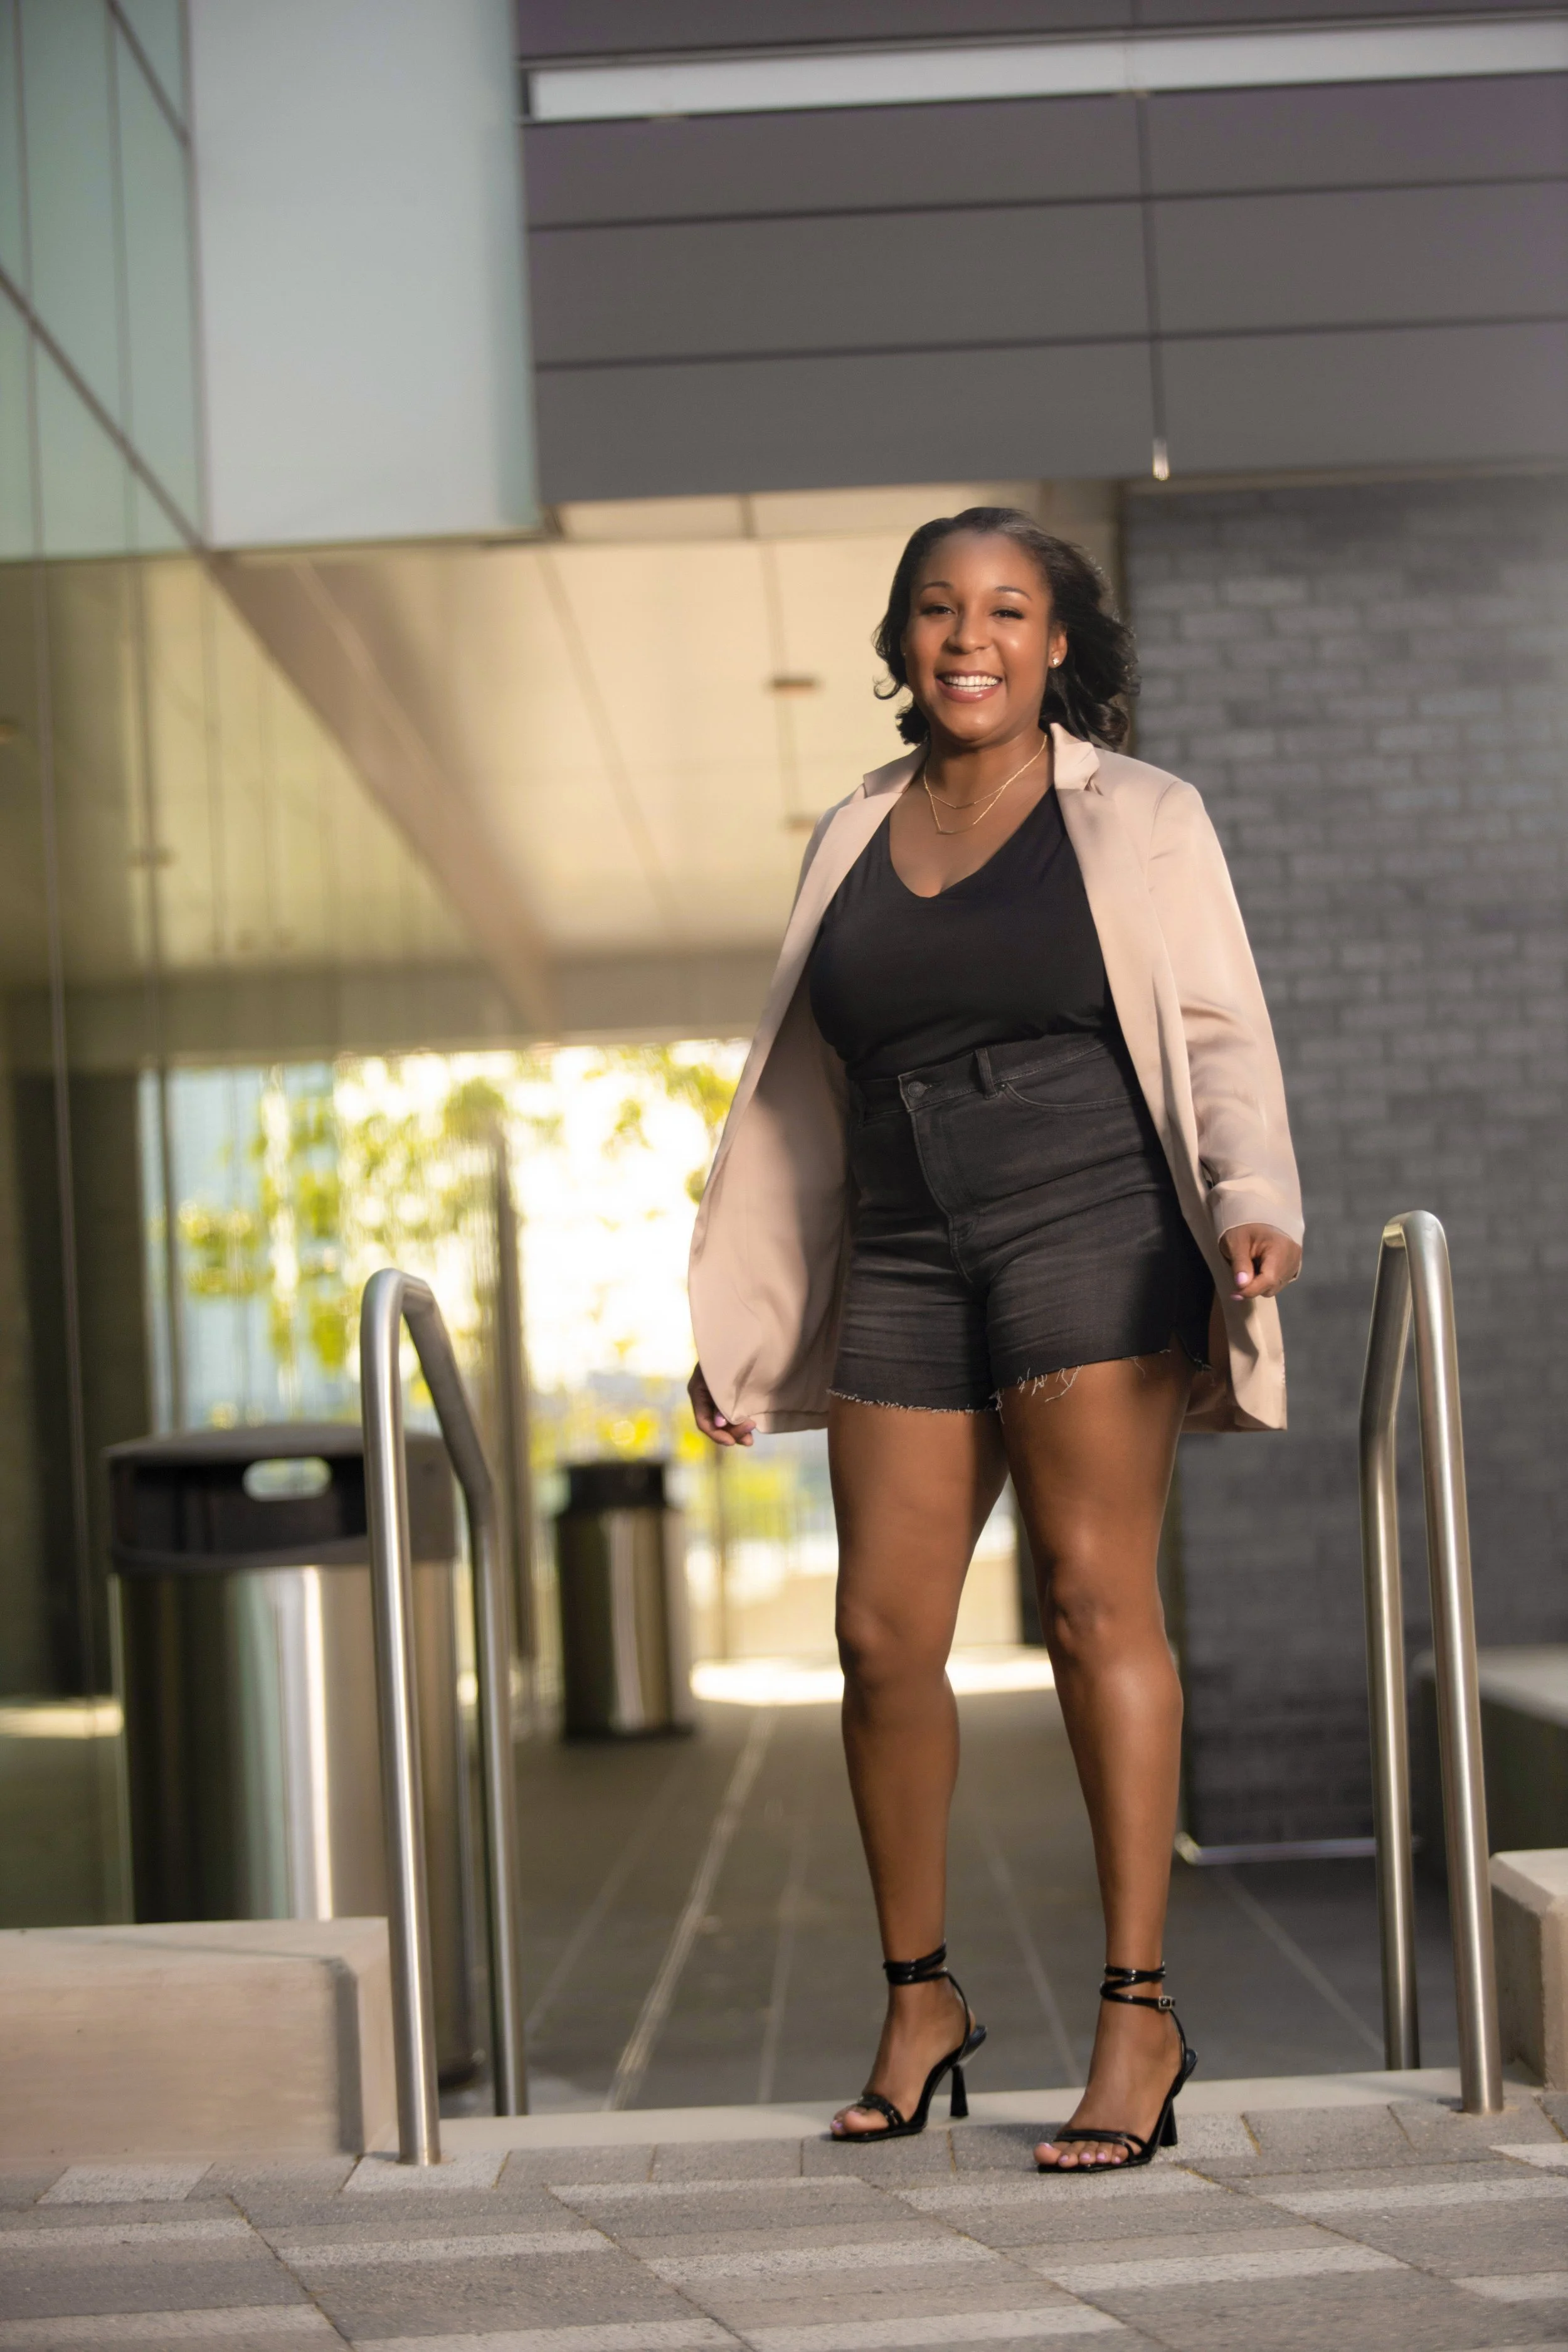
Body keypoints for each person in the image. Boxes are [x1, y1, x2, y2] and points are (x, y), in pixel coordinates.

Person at [687, 507, 1301, 2171]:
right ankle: (919, 1998)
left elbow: (1214, 1024)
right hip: (901, 1243)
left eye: (1008, 610)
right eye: (940, 610)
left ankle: (1134, 2010)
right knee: (882, 1632)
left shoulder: (1137, 813)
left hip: (1086, 1220)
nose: (972, 636)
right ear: (901, 646)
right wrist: (742, 1329)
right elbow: (798, 1102)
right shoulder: (850, 829)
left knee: (1088, 1595)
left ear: (1054, 646)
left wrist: (1249, 1197)